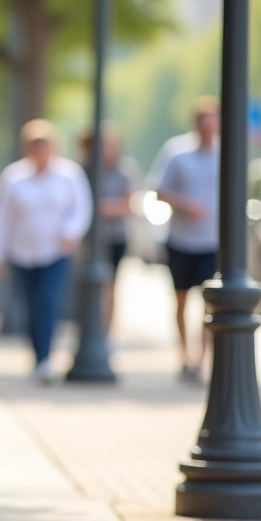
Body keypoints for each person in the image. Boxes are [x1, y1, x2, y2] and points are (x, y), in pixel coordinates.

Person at [0, 120, 92, 383]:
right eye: (35, 145)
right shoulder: (13, 177)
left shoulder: (70, 174)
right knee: (31, 306)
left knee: (48, 301)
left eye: (45, 145)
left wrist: (71, 232)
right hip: (22, 253)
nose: (40, 150)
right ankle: (38, 355)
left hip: (54, 252)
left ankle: (45, 359)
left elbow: (81, 209)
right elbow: (0, 219)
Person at [155, 96, 220, 382]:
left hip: (212, 242)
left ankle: (201, 360)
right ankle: (184, 354)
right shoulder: (177, 153)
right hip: (181, 240)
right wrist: (185, 205)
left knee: (209, 305)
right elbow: (159, 190)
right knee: (181, 301)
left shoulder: (226, 152)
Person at [79, 124, 141, 335]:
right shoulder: (84, 170)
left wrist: (98, 207)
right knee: (89, 284)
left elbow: (127, 205)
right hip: (89, 237)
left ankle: (106, 331)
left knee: (110, 286)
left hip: (115, 237)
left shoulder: (125, 171)